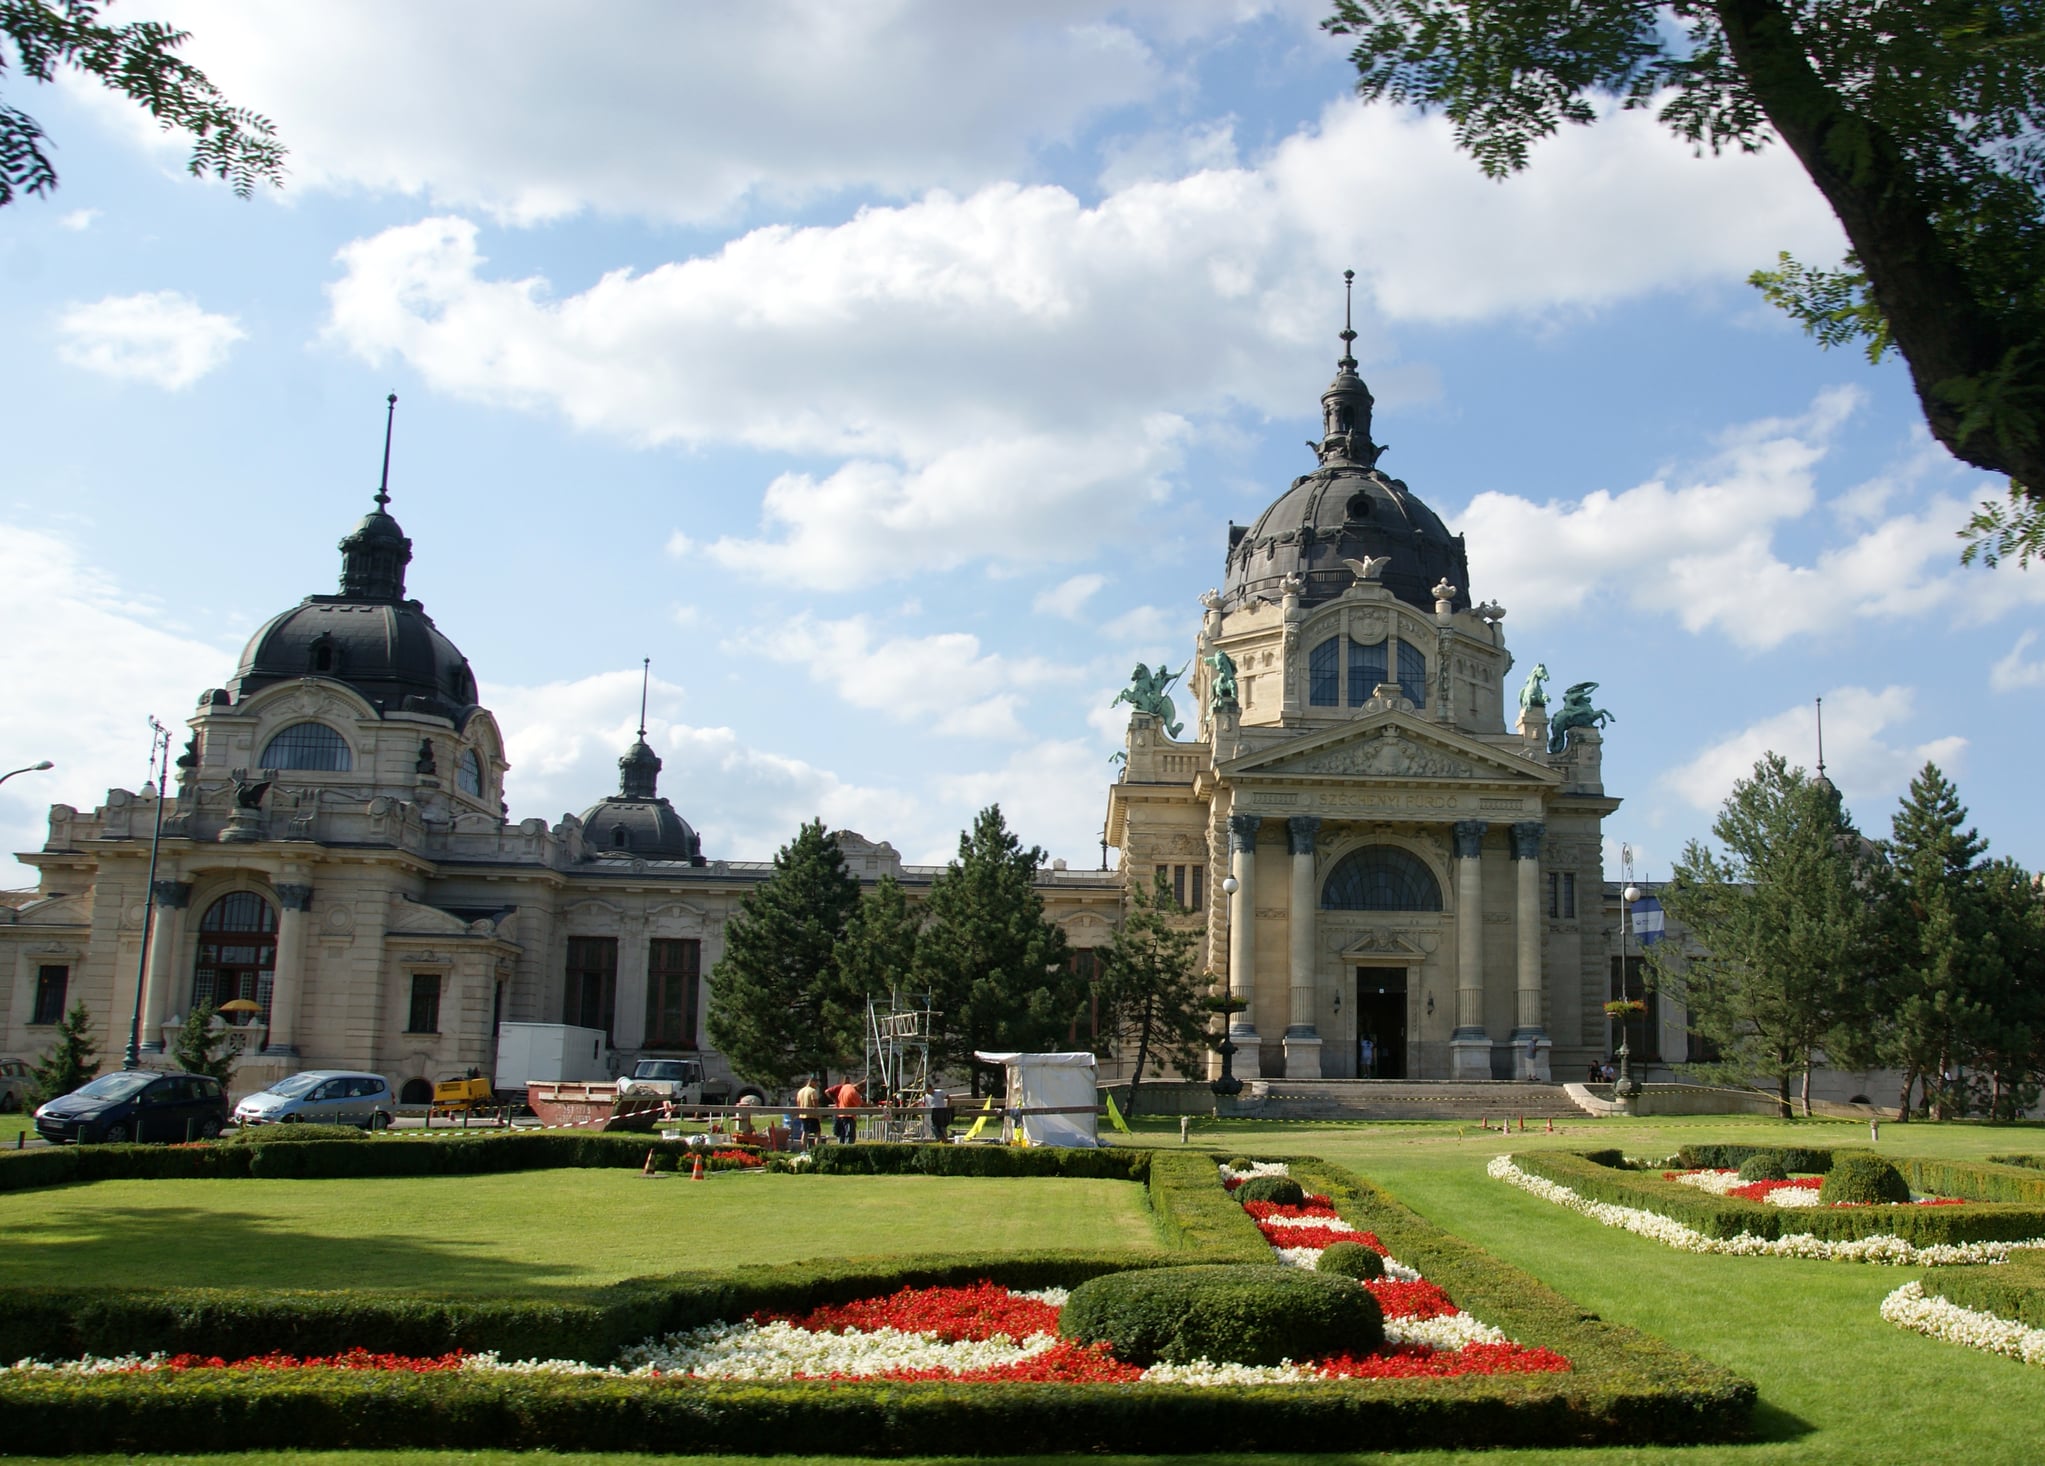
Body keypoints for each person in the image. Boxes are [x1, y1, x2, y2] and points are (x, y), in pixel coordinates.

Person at [832, 1077, 863, 1144]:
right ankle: (848, 1149)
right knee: (849, 1136)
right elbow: (861, 1104)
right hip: (849, 1116)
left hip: (840, 1115)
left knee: (842, 1136)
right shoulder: (853, 1092)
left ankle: (841, 1148)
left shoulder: (845, 1087)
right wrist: (873, 1106)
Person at [794, 1075, 821, 1147]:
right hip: (812, 1115)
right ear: (812, 1082)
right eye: (816, 1083)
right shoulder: (813, 1091)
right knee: (817, 1133)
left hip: (803, 1115)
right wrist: (818, 1115)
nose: (816, 1086)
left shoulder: (800, 1091)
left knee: (805, 1132)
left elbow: (798, 1103)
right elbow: (815, 1103)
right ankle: (817, 1148)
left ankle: (804, 1150)